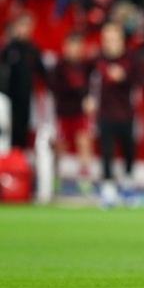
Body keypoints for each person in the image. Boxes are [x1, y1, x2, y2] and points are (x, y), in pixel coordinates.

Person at [88, 22, 138, 208]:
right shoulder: (97, 59)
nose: (111, 42)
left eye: (114, 38)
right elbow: (87, 80)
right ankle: (108, 188)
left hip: (127, 113)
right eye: (107, 39)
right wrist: (88, 98)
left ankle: (128, 185)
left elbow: (140, 80)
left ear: (121, 40)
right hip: (105, 113)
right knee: (106, 151)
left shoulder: (130, 59)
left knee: (128, 151)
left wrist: (124, 76)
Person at [51, 32, 94, 193]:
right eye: (72, 45)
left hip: (80, 112)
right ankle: (55, 174)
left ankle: (84, 176)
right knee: (60, 146)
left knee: (84, 141)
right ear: (65, 46)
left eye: (78, 45)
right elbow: (55, 88)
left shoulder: (85, 65)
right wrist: (76, 92)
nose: (75, 49)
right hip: (64, 112)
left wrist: (88, 99)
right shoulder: (59, 66)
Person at [0, 15, 47, 148]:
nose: (24, 29)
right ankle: (8, 154)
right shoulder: (8, 49)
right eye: (21, 25)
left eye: (27, 26)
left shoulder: (33, 49)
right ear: (15, 27)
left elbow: (42, 72)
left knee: (23, 125)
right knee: (8, 126)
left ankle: (20, 154)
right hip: (8, 96)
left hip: (26, 95)